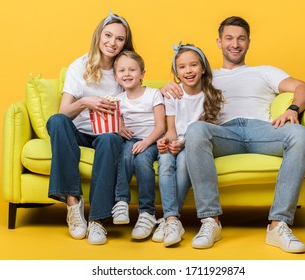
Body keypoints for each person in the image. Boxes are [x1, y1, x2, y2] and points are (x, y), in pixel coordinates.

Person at [161, 16, 305, 253]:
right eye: (229, 38)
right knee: (196, 129)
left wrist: (293, 109)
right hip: (224, 133)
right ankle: (210, 221)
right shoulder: (205, 75)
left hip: (263, 131)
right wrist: (164, 88)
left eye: (241, 38)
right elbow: (181, 82)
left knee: (301, 134)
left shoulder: (265, 72)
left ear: (248, 42)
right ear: (219, 42)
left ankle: (278, 225)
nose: (235, 44)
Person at [46, 10, 135, 245]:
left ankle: (97, 221)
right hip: (77, 134)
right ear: (98, 35)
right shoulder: (80, 65)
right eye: (108, 35)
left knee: (110, 139)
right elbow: (63, 112)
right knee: (56, 121)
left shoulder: (125, 68)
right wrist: (85, 102)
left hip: (106, 135)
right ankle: (73, 205)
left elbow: (139, 98)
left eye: (119, 39)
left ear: (125, 43)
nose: (112, 43)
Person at [152, 42, 224, 247]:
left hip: (194, 146)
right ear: (176, 72)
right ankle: (172, 220)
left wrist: (183, 144)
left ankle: (168, 220)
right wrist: (169, 140)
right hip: (177, 140)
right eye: (182, 67)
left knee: (184, 162)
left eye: (193, 65)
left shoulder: (212, 95)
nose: (188, 71)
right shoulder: (174, 95)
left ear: (203, 68)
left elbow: (205, 132)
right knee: (166, 161)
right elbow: (172, 129)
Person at [110, 50, 166, 240]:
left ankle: (147, 212)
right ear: (116, 76)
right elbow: (118, 122)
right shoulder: (117, 100)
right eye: (122, 70)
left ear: (142, 74)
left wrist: (146, 142)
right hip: (132, 140)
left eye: (132, 70)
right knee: (125, 155)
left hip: (152, 140)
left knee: (142, 161)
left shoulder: (153, 94)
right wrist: (121, 129)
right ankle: (121, 203)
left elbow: (161, 127)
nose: (127, 74)